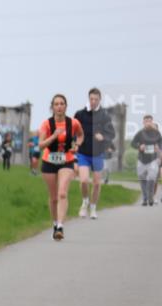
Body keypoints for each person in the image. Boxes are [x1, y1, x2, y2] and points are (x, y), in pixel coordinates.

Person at [36, 94, 84, 240]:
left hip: (66, 159)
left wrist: (77, 145)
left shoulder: (73, 123)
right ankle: (55, 222)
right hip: (49, 160)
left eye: (62, 103)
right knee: (53, 197)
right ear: (52, 107)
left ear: (66, 106)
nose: (59, 106)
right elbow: (41, 144)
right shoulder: (46, 124)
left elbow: (81, 135)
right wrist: (54, 136)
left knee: (62, 193)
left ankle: (61, 227)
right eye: (56, 104)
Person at [74, 88, 116, 219]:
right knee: (84, 180)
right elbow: (73, 131)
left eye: (96, 99)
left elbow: (112, 133)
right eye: (91, 99)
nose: (93, 101)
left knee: (97, 183)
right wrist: (75, 143)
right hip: (83, 153)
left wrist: (103, 136)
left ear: (99, 100)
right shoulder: (80, 114)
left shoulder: (105, 116)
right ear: (88, 98)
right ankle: (85, 202)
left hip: (97, 153)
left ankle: (93, 207)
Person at [131, 114, 162, 206]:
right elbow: (133, 143)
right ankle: (144, 198)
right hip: (141, 160)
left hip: (153, 160)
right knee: (142, 179)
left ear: (152, 122)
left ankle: (150, 197)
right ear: (143, 123)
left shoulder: (157, 133)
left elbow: (161, 143)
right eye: (146, 121)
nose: (148, 123)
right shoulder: (140, 133)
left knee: (151, 179)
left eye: (150, 121)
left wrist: (158, 147)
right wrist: (139, 146)